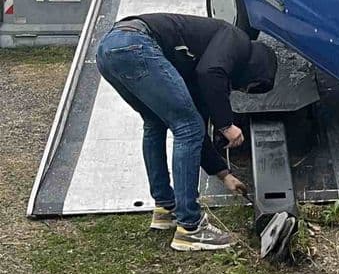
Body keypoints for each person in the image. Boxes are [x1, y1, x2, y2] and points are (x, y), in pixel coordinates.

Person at [96, 13, 277, 252]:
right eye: (247, 85)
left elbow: (198, 126)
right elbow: (211, 74)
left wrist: (223, 174)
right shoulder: (237, 40)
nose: (238, 88)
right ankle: (191, 228)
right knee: (187, 127)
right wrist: (226, 124)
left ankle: (165, 209)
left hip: (109, 49)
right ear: (256, 67)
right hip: (136, 44)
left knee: (156, 122)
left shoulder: (198, 66)